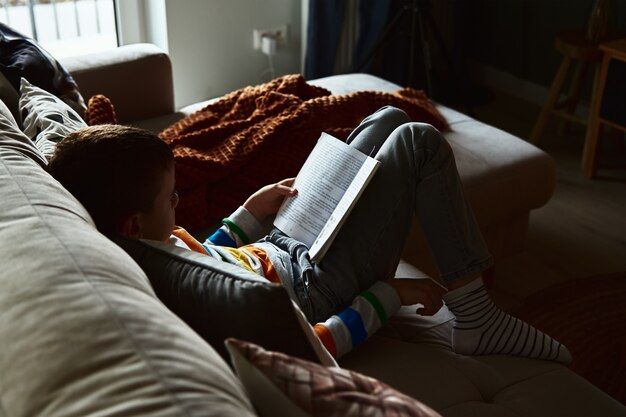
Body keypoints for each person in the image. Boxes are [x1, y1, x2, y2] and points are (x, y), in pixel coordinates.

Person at [47, 107, 572, 363]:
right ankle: (477, 318)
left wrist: (247, 213)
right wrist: (391, 294)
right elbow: (319, 343)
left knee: (383, 119)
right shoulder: (177, 294)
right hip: (319, 285)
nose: (179, 204)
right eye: (171, 198)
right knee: (418, 141)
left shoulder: (151, 247)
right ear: (133, 224)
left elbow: (207, 255)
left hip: (282, 249)